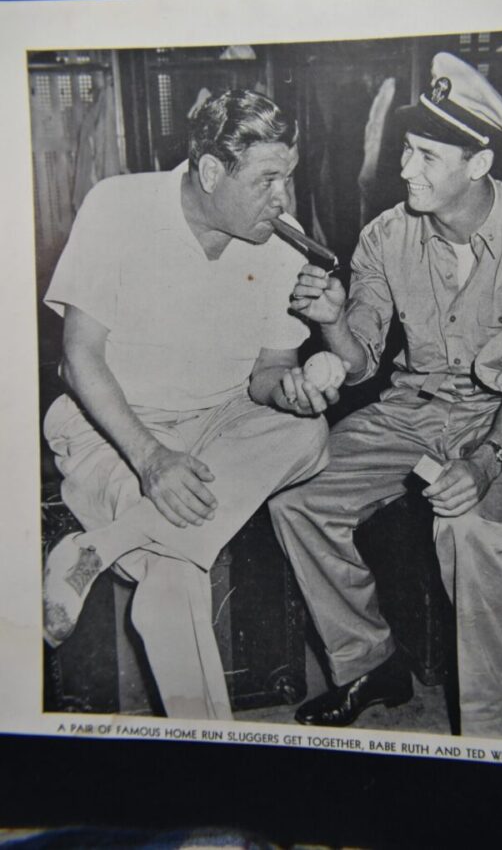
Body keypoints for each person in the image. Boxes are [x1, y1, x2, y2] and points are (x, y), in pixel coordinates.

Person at [269, 53, 502, 739]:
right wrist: (331, 324)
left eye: (428, 156)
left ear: (480, 164)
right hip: (413, 406)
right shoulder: (385, 235)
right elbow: (362, 357)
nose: (406, 170)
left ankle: (496, 735)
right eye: (406, 150)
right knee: (299, 499)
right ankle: (369, 664)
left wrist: (487, 461)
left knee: (470, 528)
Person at [42, 89, 341, 720]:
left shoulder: (282, 246)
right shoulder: (119, 206)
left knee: (309, 435)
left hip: (220, 425)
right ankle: (216, 765)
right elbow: (79, 359)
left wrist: (288, 392)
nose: (283, 198)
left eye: (288, 176)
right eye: (266, 180)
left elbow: (269, 371)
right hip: (115, 429)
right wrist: (151, 458)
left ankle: (101, 548)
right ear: (211, 172)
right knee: (173, 579)